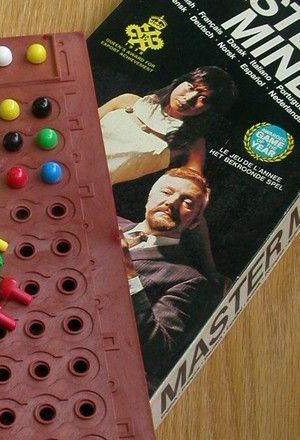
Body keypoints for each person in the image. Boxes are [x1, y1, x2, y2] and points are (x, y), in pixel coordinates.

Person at [119, 167, 221, 394]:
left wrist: (127, 271)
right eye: (167, 191)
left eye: (187, 202)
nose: (172, 202)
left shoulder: (189, 281)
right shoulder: (107, 219)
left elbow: (156, 350)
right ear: (150, 196)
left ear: (194, 222)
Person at [99, 66, 237, 184]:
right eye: (191, 87)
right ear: (181, 81)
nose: (189, 99)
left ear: (209, 110)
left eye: (203, 99)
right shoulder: (128, 101)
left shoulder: (192, 143)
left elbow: (193, 188)